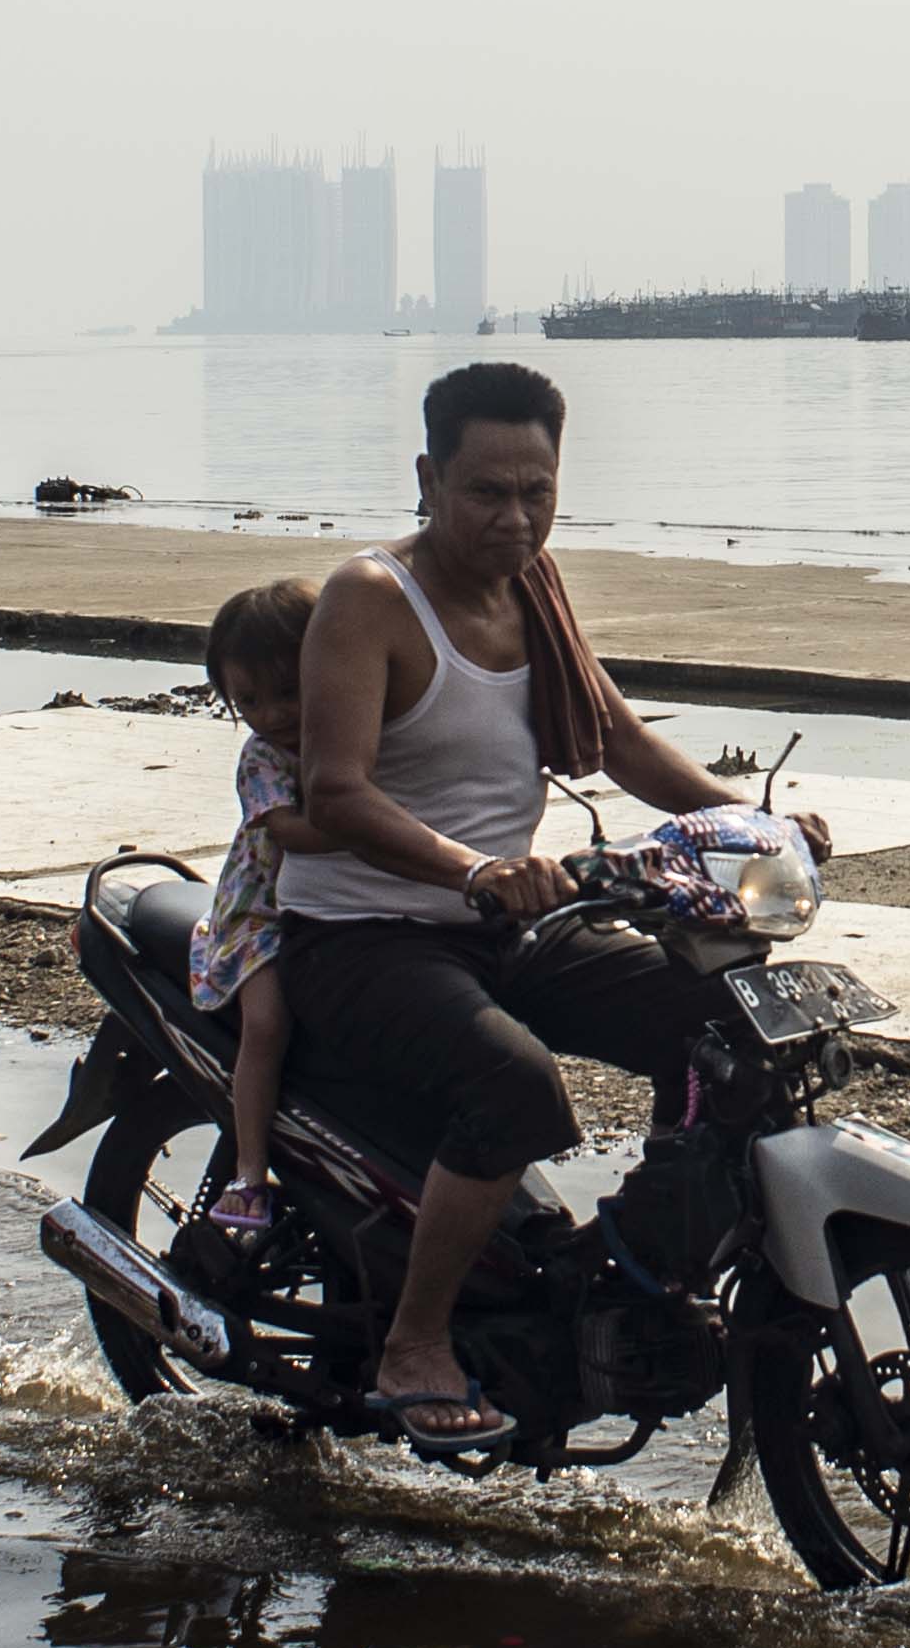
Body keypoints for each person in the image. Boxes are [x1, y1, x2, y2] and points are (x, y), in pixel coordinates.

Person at [280, 361, 830, 1450]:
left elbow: (619, 740)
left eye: (537, 490)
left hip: (504, 923)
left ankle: (628, 1269)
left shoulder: (534, 584)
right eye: (487, 491)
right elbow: (332, 790)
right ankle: (414, 1342)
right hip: (359, 935)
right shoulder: (370, 599)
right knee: (518, 1087)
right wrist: (472, 867)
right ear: (430, 478)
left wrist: (758, 823)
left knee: (731, 1020)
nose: (515, 516)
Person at [189, 577, 325, 1239]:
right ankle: (250, 1173)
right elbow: (287, 830)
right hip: (261, 914)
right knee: (267, 1024)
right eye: (248, 699)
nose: (270, 712)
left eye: (287, 692)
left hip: (332, 907)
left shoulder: (355, 729)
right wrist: (371, 830)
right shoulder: (263, 757)